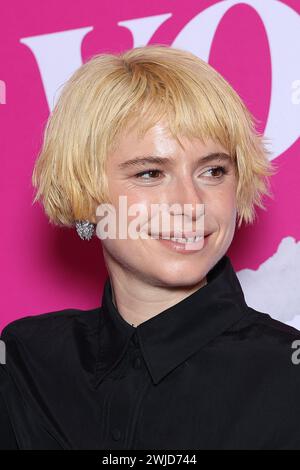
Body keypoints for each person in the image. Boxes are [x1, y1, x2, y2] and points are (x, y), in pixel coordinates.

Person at [1, 44, 300, 450]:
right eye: (150, 173)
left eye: (213, 171)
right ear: (85, 192)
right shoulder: (24, 360)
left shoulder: (287, 375)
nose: (191, 204)